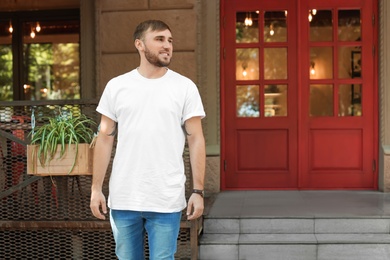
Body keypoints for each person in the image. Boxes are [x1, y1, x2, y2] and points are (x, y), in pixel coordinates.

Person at [90, 20, 206, 260]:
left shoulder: (184, 87)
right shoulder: (117, 86)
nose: (167, 46)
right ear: (139, 44)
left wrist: (198, 191)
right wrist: (95, 189)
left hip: (166, 197)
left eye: (170, 40)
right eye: (160, 39)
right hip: (124, 197)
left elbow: (196, 140)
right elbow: (104, 139)